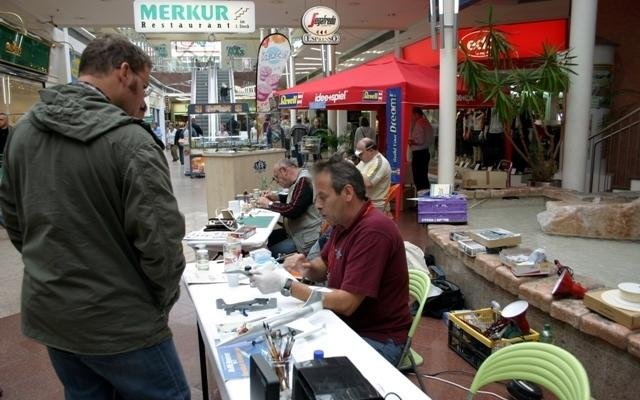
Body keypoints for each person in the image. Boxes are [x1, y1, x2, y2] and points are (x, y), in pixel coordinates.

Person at [0, 34, 190, 399]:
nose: (143, 100)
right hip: (121, 320)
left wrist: (51, 270)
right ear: (123, 72)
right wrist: (157, 303)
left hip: (51, 313)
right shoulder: (130, 142)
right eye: (144, 87)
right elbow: (162, 244)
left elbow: (14, 220)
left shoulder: (22, 133)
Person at [250, 159, 411, 365]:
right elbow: (323, 266)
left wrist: (286, 284)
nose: (317, 205)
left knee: (297, 366)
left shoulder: (373, 231)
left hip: (377, 338)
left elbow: (346, 303)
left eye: (323, 198)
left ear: (347, 193)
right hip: (345, 323)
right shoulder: (343, 223)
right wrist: (305, 268)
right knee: (278, 345)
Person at [257, 158, 321, 257]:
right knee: (265, 240)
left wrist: (269, 204)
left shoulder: (304, 181)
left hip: (305, 239)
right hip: (296, 233)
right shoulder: (300, 180)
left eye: (276, 177)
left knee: (267, 254)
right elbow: (298, 199)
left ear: (284, 171)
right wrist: (276, 197)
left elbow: (293, 210)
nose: (277, 182)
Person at [354, 138, 391, 212]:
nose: (359, 157)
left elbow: (368, 183)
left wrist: (352, 168)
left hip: (375, 206)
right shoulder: (365, 160)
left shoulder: (380, 162)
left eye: (361, 154)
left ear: (371, 150)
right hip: (364, 202)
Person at [409, 107, 434, 191]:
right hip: (425, 152)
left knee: (418, 178)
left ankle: (421, 199)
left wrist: (411, 142)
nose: (411, 118)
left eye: (412, 115)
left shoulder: (419, 123)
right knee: (423, 177)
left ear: (416, 114)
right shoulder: (427, 123)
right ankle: (425, 198)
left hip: (419, 153)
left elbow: (420, 140)